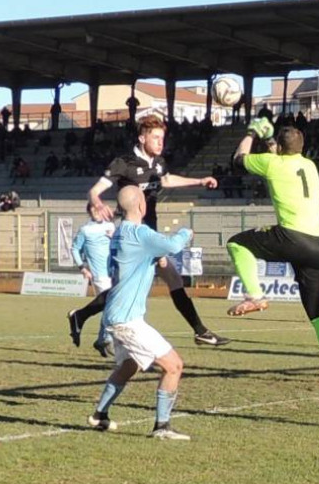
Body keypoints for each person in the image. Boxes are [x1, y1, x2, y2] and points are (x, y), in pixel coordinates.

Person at [225, 118, 319, 404]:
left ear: (279, 147)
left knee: (236, 243)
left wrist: (252, 132)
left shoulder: (272, 163)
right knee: (317, 314)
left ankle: (255, 295)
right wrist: (271, 139)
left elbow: (238, 159)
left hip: (292, 236)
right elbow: (279, 154)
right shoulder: (310, 166)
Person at [88, 115, 230, 347]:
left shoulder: (158, 163)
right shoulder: (124, 162)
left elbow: (167, 180)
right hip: (135, 234)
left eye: (162, 138)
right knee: (162, 280)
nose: (160, 142)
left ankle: (84, 320)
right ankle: (199, 331)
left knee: (134, 285)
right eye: (155, 137)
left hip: (149, 230)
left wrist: (199, 181)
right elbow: (95, 191)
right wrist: (97, 202)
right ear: (142, 138)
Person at [88, 186, 192, 440]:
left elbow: (138, 258)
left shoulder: (119, 233)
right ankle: (162, 427)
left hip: (116, 315)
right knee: (174, 366)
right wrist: (186, 232)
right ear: (142, 206)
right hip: (127, 319)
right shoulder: (140, 233)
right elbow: (173, 245)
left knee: (129, 365)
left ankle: (100, 414)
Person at [67, 202, 116, 356]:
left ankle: (99, 337)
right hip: (99, 274)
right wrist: (82, 267)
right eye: (93, 210)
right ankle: (106, 339)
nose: (96, 213)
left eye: (99, 210)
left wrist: (114, 238)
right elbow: (75, 248)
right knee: (111, 305)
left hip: (114, 272)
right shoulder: (86, 230)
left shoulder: (111, 226)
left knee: (109, 306)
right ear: (89, 212)